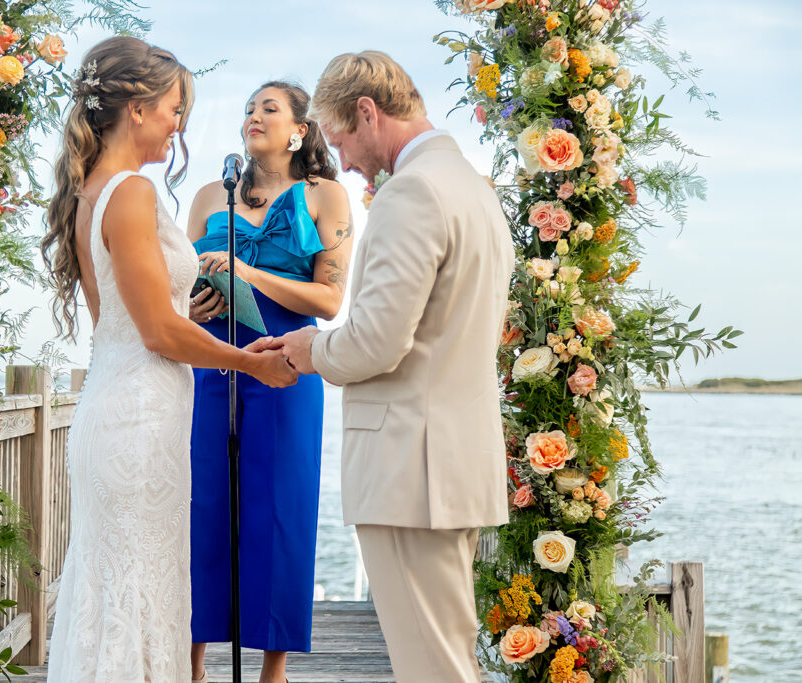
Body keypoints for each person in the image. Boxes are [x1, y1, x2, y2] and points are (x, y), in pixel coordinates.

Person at [40, 37, 297, 682]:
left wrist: (191, 318)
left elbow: (125, 323)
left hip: (123, 399)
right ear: (135, 107)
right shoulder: (130, 193)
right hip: (140, 414)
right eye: (174, 107)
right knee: (137, 579)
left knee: (123, 584)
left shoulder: (93, 189)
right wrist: (250, 363)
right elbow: (154, 332)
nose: (179, 123)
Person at [278, 51, 515, 682]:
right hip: (452, 466)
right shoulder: (471, 187)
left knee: (432, 670)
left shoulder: (411, 191)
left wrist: (309, 350)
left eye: (341, 140)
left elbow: (379, 342)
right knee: (448, 661)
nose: (344, 161)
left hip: (413, 472)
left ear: (367, 111)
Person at [184, 81, 353, 683]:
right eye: (248, 108)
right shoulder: (209, 194)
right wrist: (194, 307)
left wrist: (248, 271)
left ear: (299, 130)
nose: (254, 116)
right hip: (213, 359)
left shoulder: (325, 196)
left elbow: (330, 301)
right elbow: (178, 290)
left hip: (287, 361)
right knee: (204, 503)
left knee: (282, 503)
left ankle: (271, 669)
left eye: (269, 109)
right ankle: (194, 662)